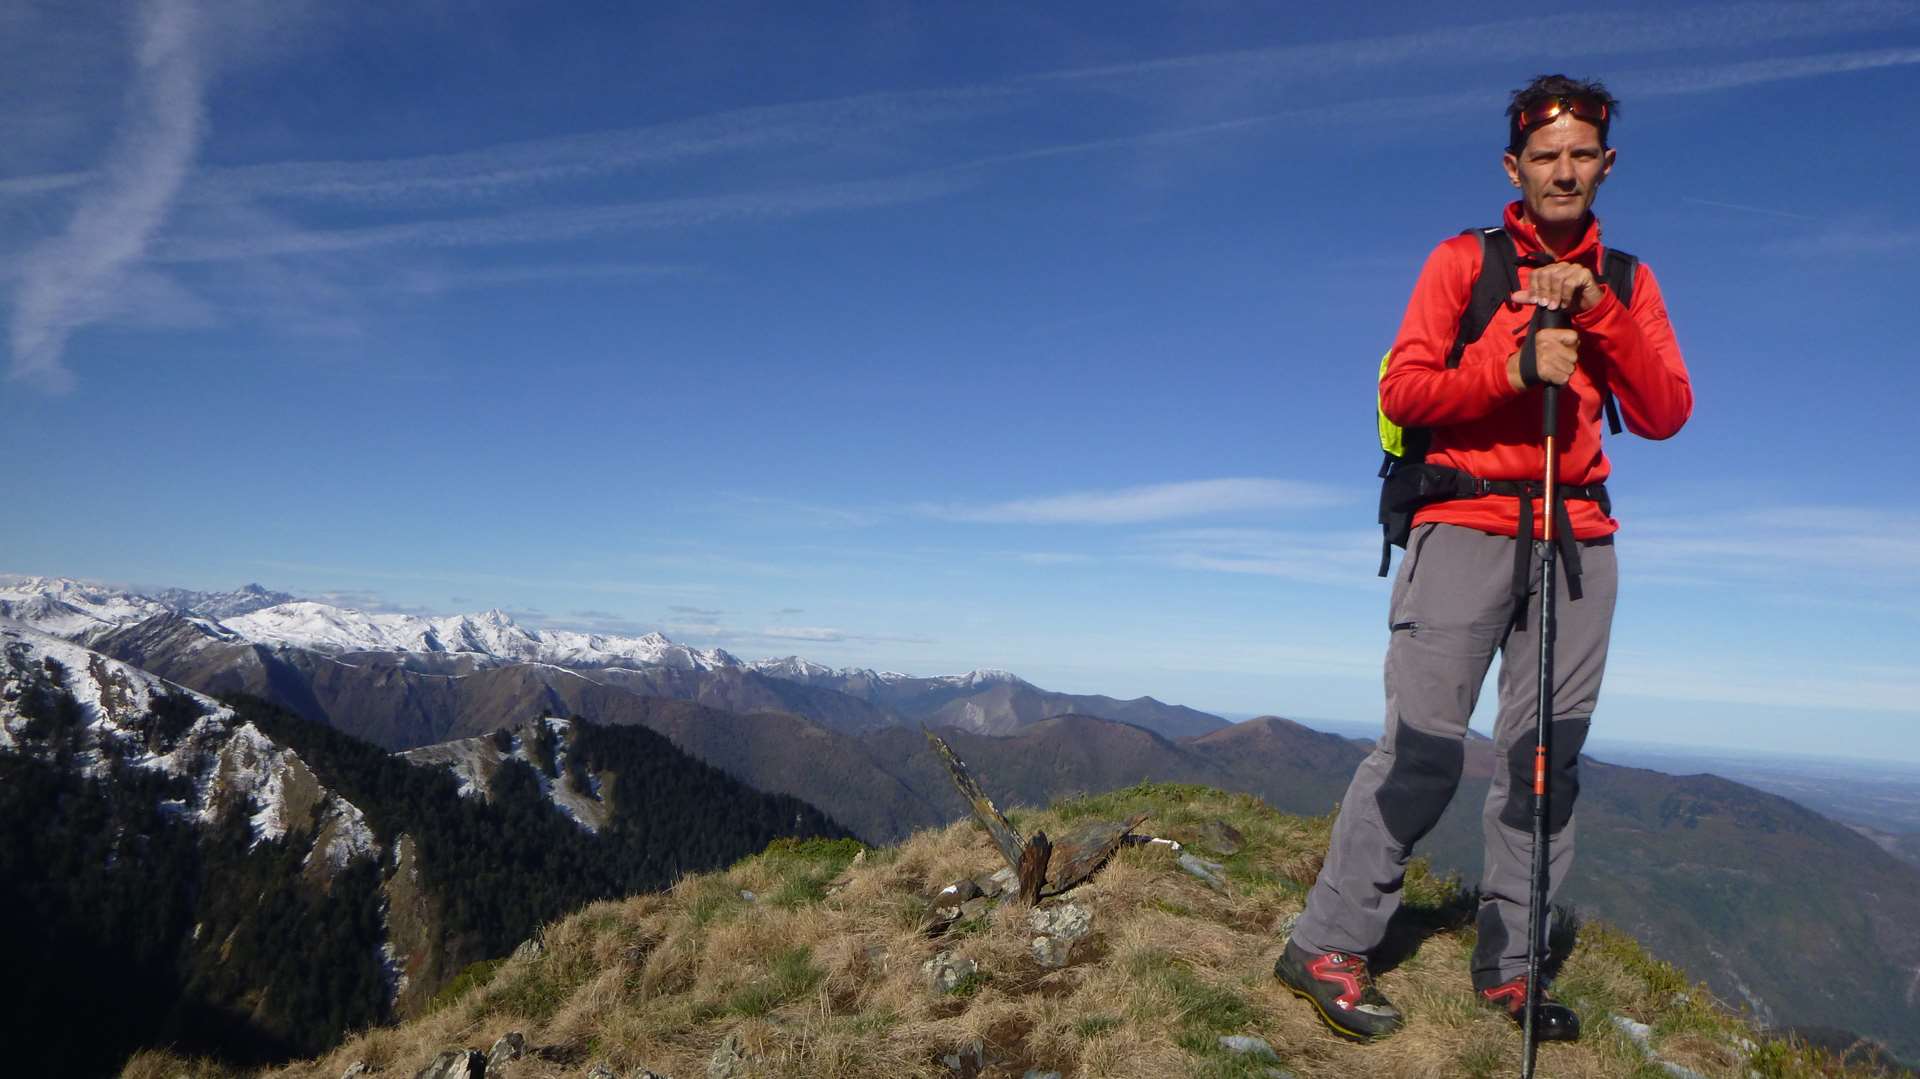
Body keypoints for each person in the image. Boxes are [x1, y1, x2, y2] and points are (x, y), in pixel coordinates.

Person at [1273, 74, 1693, 1042]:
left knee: (1547, 763)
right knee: (1423, 746)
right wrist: (1510, 366)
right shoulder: (1465, 261)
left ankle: (1512, 967)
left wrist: (1597, 315)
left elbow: (1667, 412)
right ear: (1515, 166)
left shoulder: (1629, 281)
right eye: (1545, 155)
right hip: (1464, 524)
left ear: (1606, 164)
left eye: (1581, 153)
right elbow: (1409, 389)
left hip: (1579, 537)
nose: (1563, 170)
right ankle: (1328, 941)